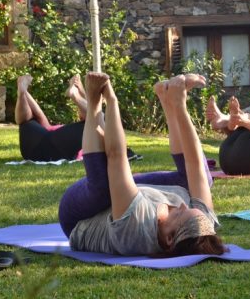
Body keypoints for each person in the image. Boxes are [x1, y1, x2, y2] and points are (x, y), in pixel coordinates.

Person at [58, 72, 225, 256]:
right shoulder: (203, 225)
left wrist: (109, 98)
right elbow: (194, 163)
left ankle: (93, 102)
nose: (184, 205)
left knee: (103, 188)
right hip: (141, 196)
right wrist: (179, 104)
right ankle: (166, 98)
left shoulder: (137, 226)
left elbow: (115, 156)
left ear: (169, 239)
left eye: (179, 214)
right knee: (201, 180)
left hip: (77, 215)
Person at [15, 74, 87, 161]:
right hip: (55, 151)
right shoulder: (66, 135)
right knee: (97, 120)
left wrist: (24, 92)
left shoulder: (52, 131)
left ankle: (21, 96)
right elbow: (90, 118)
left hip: (30, 149)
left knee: (26, 122)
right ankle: (76, 95)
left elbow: (40, 115)